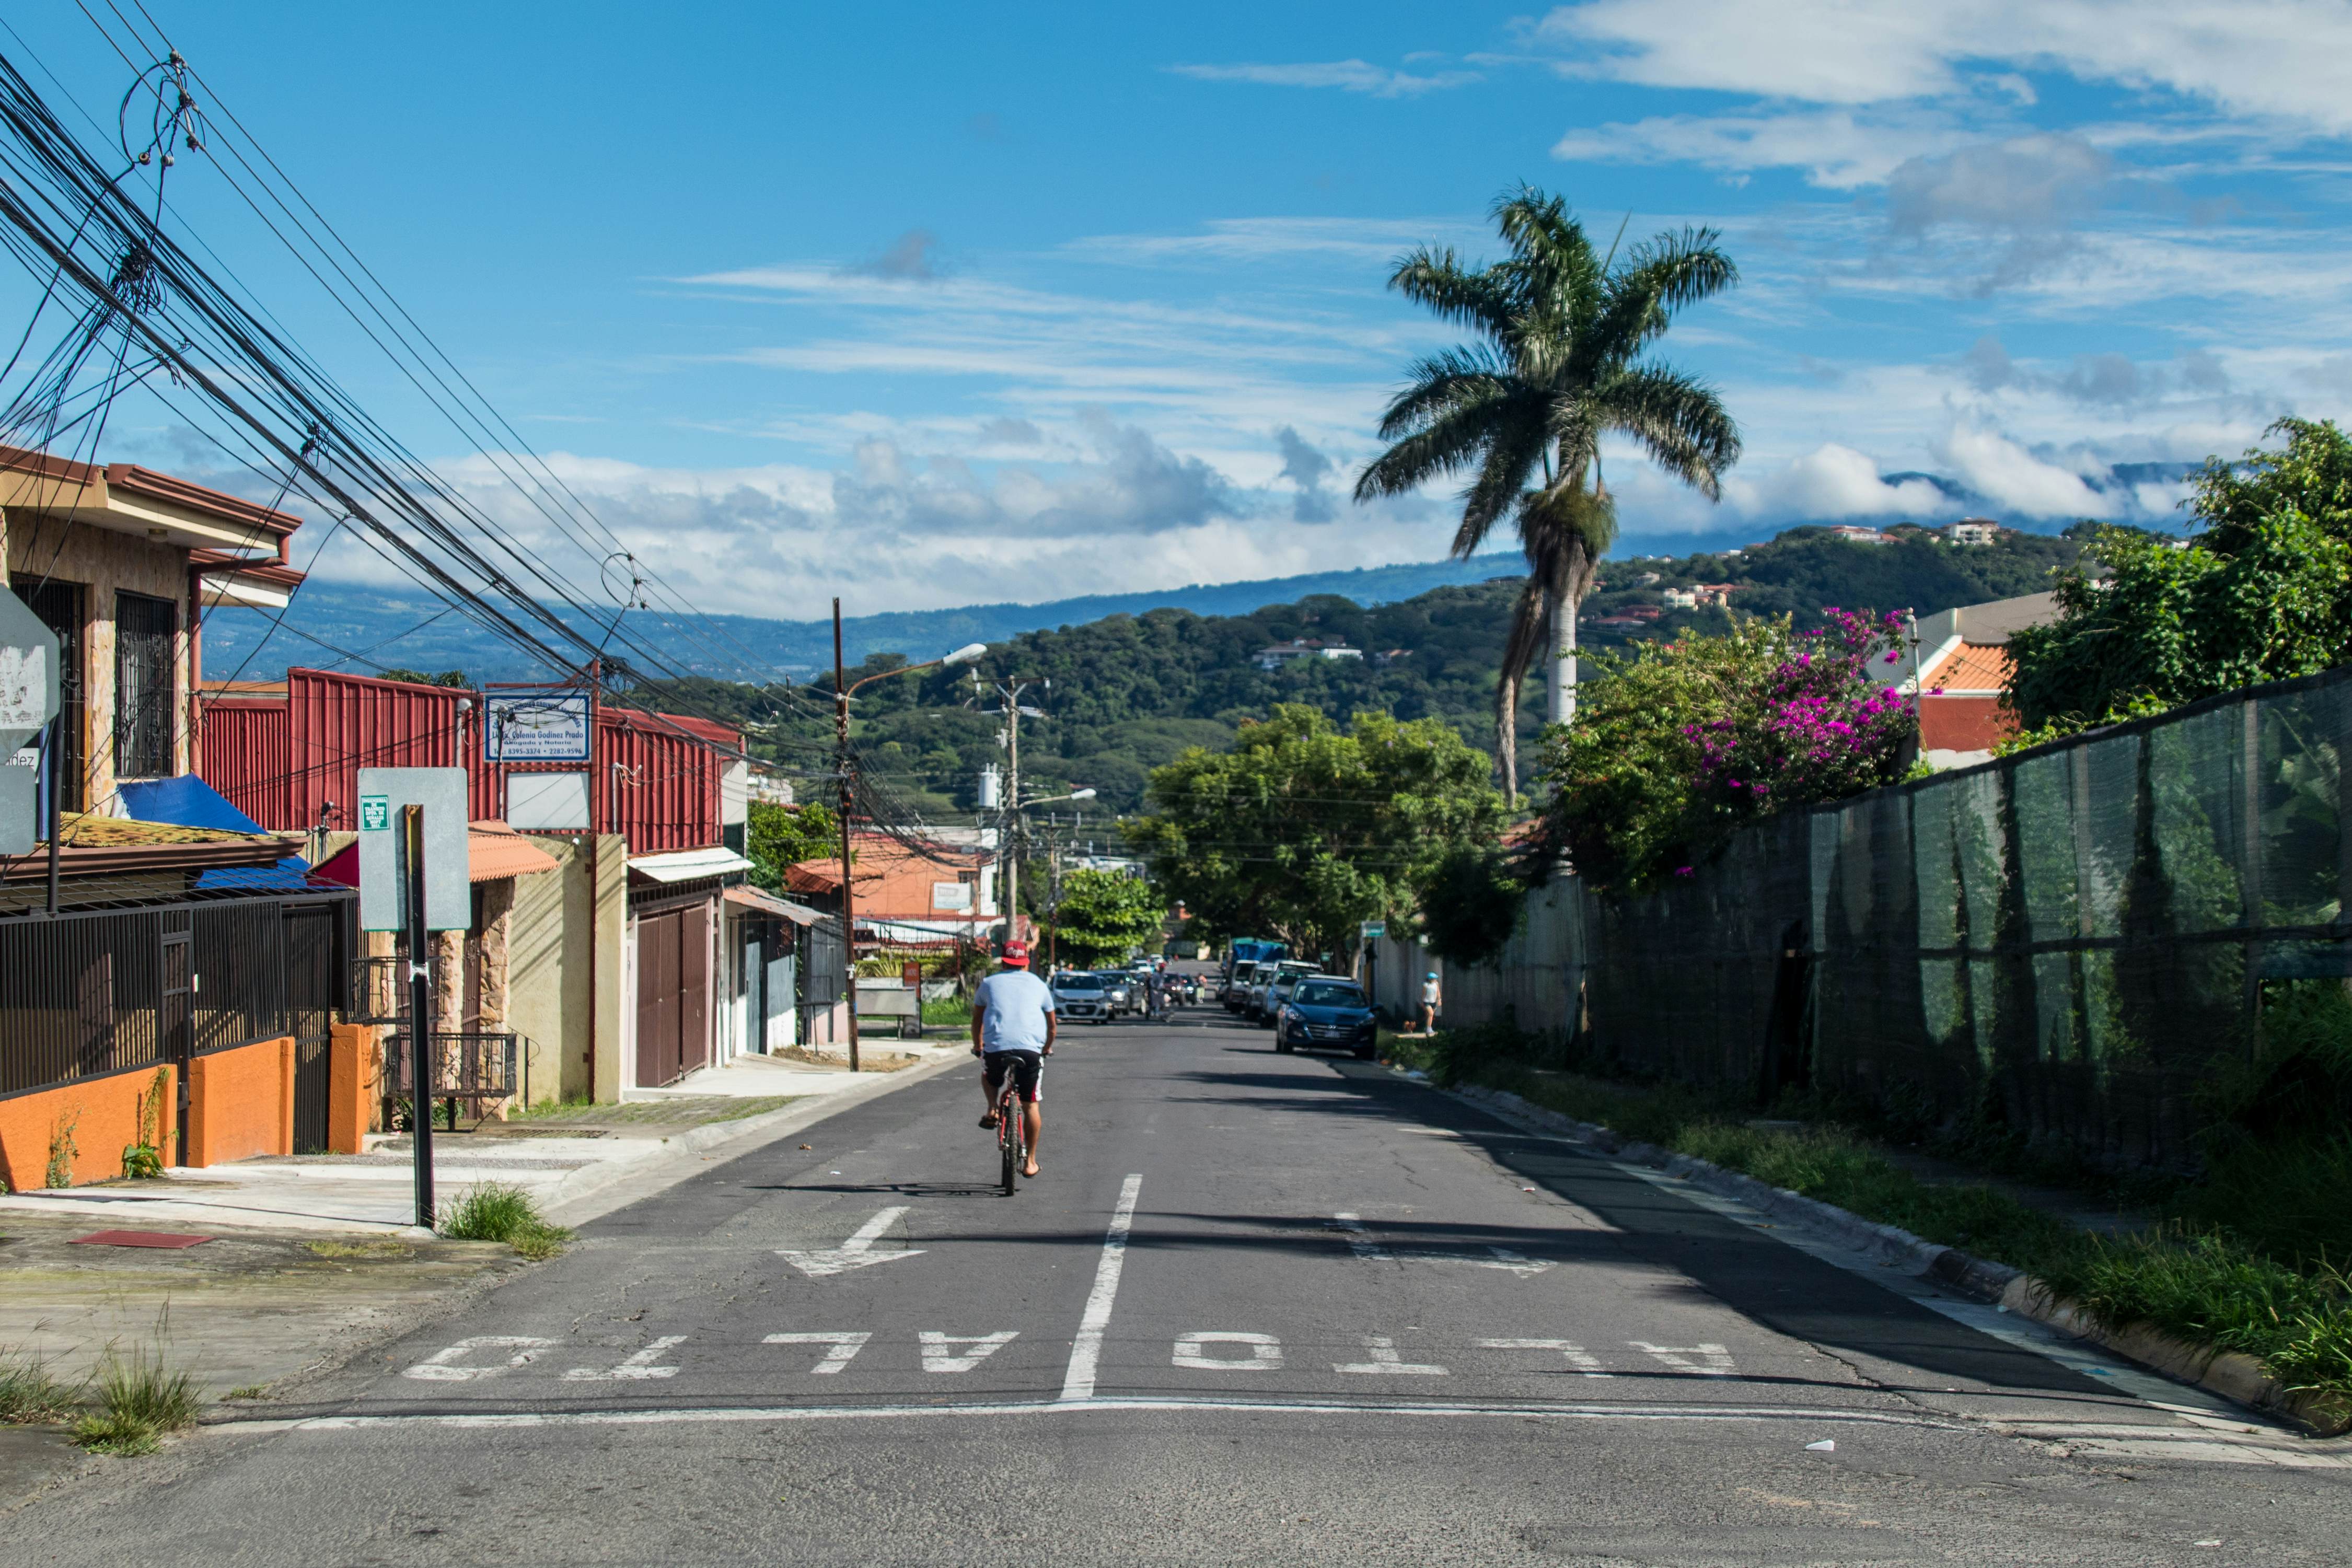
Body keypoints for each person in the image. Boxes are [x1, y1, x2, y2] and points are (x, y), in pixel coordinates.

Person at [971, 939, 1053, 1177]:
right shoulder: (1039, 984)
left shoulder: (988, 983)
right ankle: (1031, 1162)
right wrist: (1047, 1047)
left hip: (996, 1049)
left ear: (1004, 961)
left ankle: (992, 1109)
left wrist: (979, 1046)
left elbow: (977, 1019)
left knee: (989, 1076)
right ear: (1025, 962)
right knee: (1031, 1104)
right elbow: (1052, 1024)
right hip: (1031, 1052)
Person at [1418, 970, 1442, 1035]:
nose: (1435, 979)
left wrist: (1439, 1000)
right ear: (1430, 979)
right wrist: (1422, 1002)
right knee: (1431, 1014)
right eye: (1434, 978)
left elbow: (1438, 992)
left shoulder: (1436, 984)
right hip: (1427, 1002)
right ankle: (1429, 1029)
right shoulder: (1426, 985)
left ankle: (1427, 1027)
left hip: (1434, 1002)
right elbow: (1423, 994)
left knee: (1429, 1016)